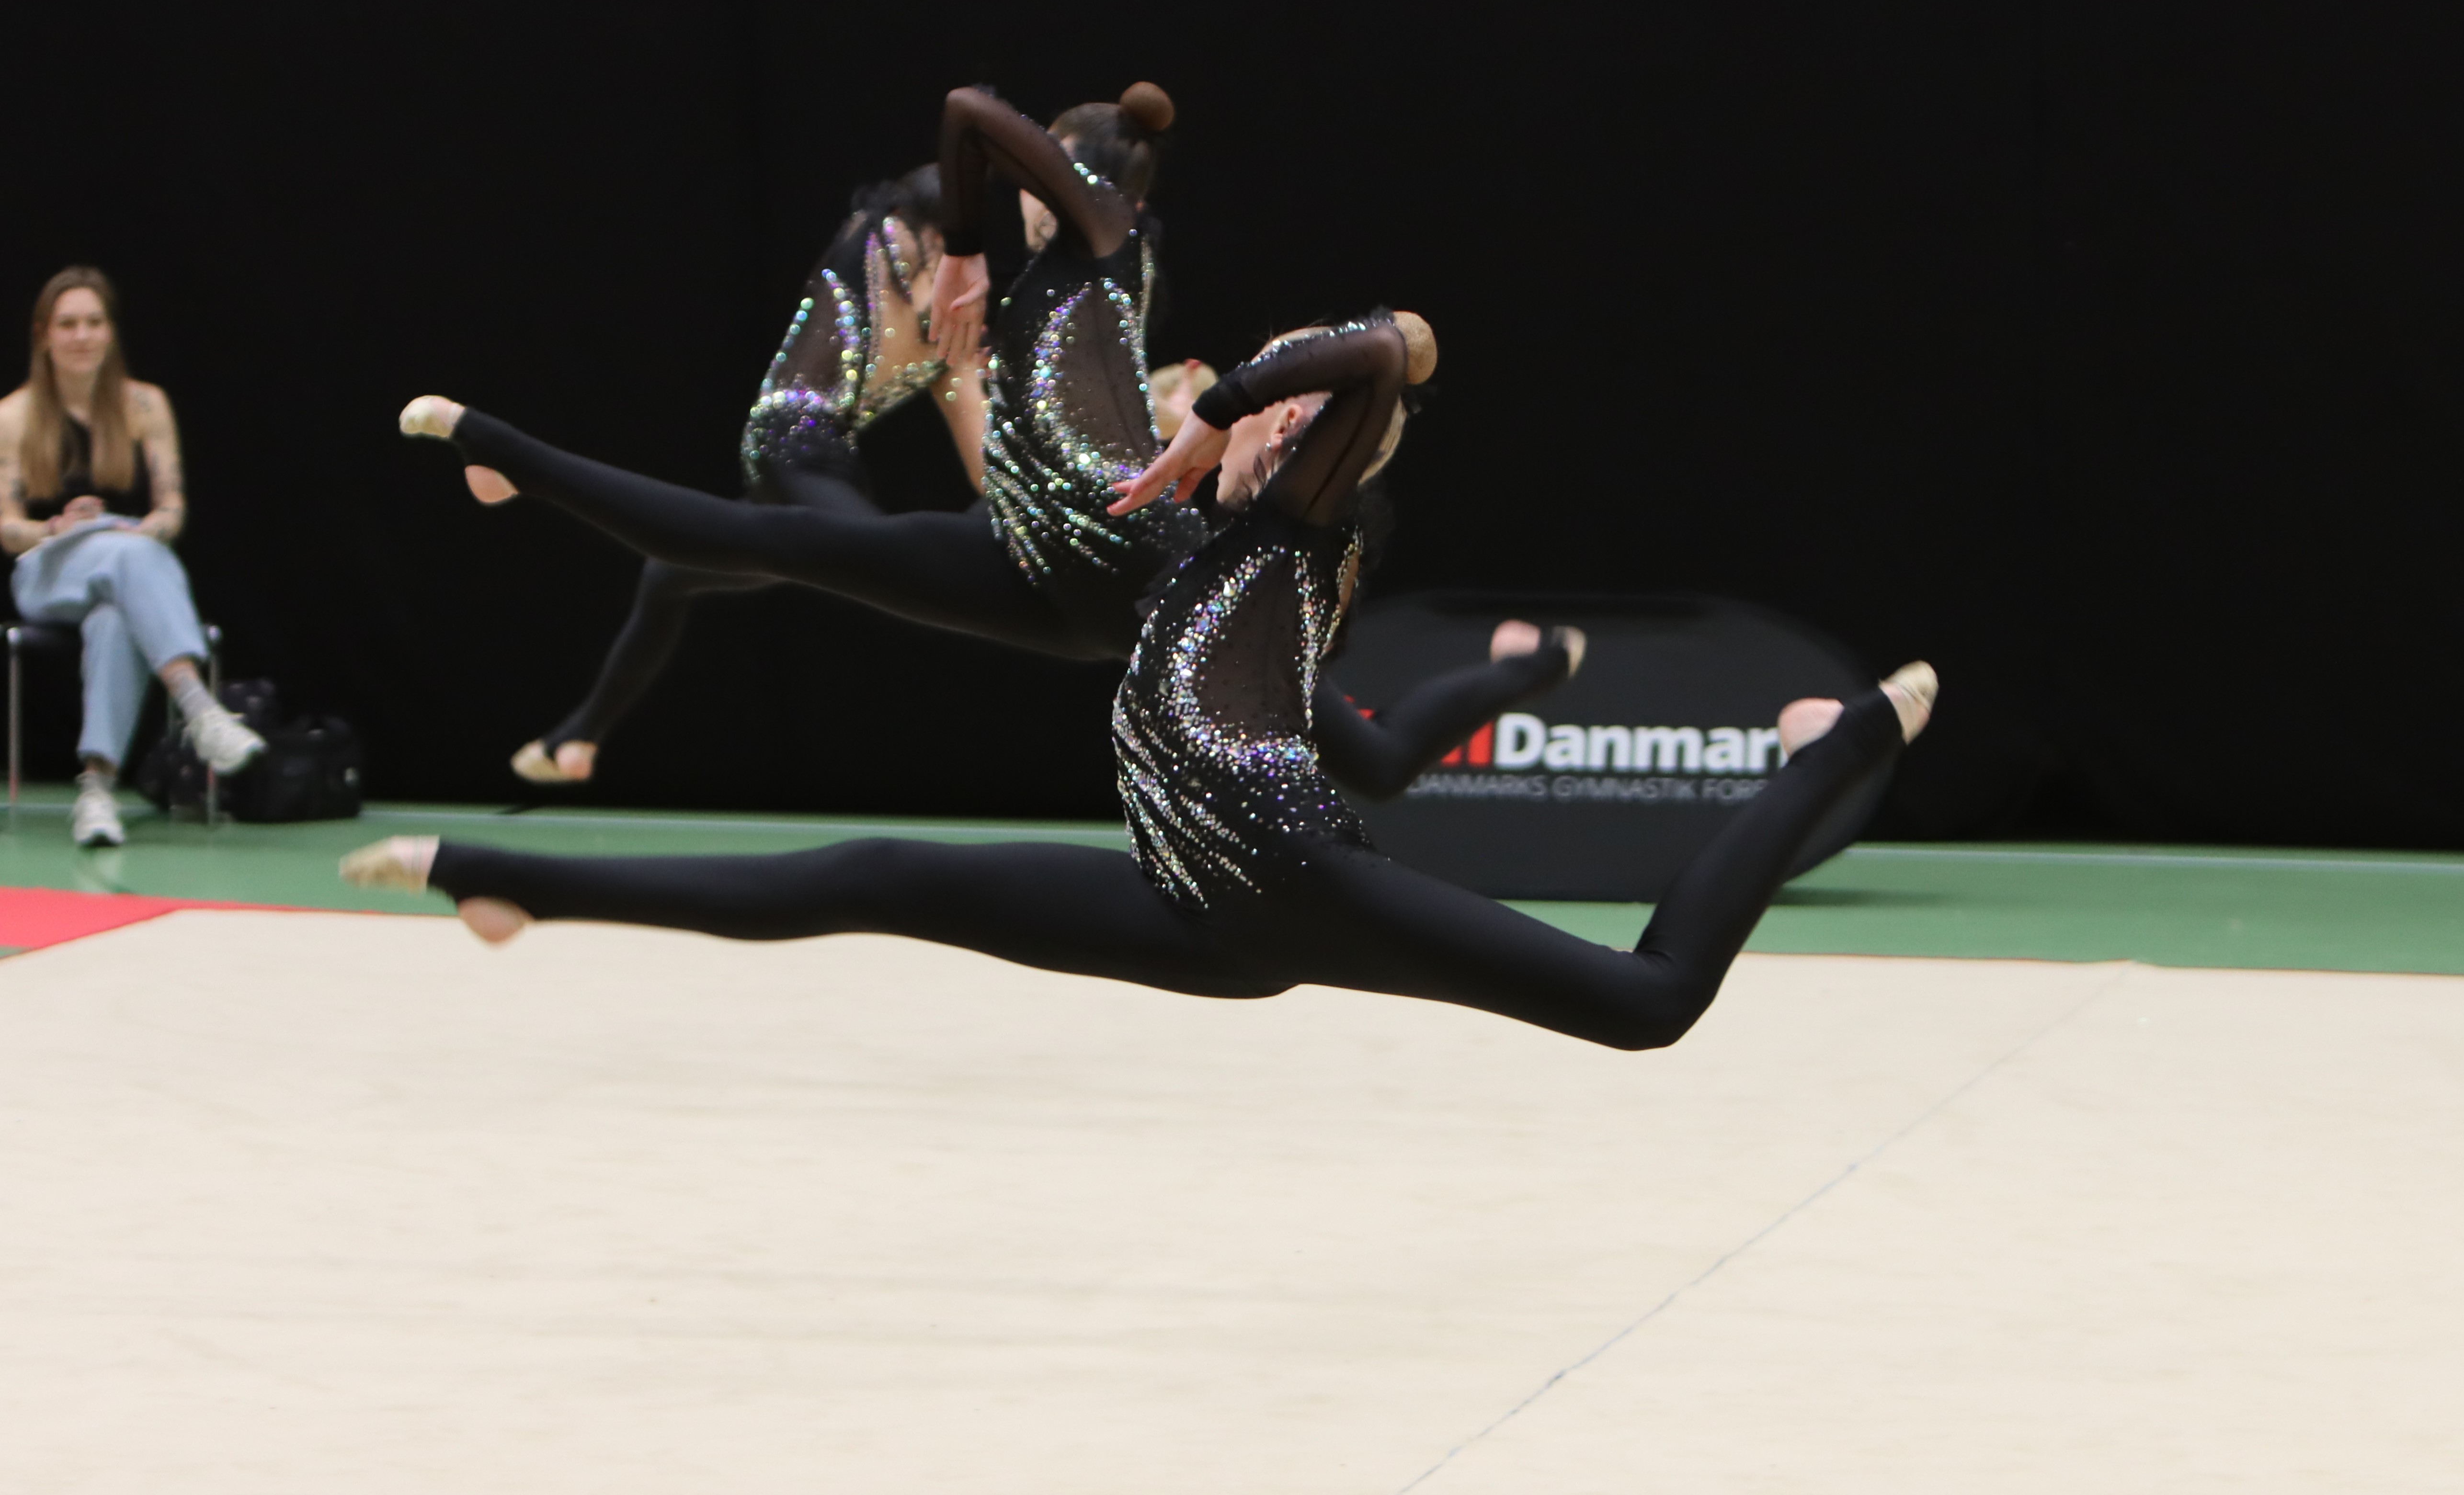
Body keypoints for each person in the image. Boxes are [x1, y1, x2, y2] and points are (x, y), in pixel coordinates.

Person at [344, 312, 1932, 1052]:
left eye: (1262, 412)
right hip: (1190, 911)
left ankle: (1838, 737)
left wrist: (1233, 403)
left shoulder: (1290, 537)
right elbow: (917, 497)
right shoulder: (1153, 553)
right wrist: (516, 456)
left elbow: (1391, 351)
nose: (1217, 412)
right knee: (875, 872)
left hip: (1298, 879)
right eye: (1215, 398)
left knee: (1652, 1002)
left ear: (1294, 450)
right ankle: (508, 874)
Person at [401, 83, 1564, 795]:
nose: (1010, 208)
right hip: (1029, 566)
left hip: (1123, 557)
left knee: (1370, 764)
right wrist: (970, 273)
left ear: (1070, 174)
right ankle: (508, 452)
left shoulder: (1102, 231)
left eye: (1027, 183)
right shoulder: (1076, 272)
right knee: (768, 542)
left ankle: (1528, 666)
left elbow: (968, 110)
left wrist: (964, 250)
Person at [501, 168, 992, 785]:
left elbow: (984, 468)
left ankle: (575, 738)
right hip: (787, 438)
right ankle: (530, 470)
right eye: (947, 249)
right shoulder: (873, 240)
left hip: (825, 463)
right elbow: (920, 230)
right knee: (881, 562)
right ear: (930, 237)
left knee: (667, 577)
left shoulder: (953, 339)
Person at [0, 268, 265, 846]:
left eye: (94, 323)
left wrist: (145, 531)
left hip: (128, 562)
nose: (82, 336)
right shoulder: (13, 416)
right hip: (48, 568)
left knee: (117, 614)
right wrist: (56, 528)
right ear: (44, 335)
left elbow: (172, 509)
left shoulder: (145, 405)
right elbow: (6, 528)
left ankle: (96, 793)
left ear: (111, 331)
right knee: (126, 556)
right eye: (68, 324)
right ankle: (199, 708)